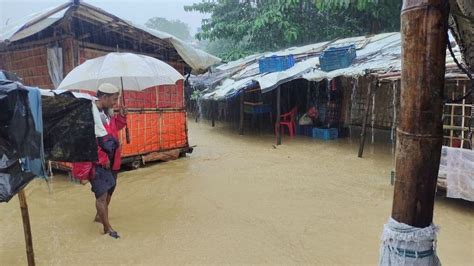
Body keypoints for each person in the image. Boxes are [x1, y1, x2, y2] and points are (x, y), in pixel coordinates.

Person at [91, 83, 127, 239]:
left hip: (113, 159)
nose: (115, 102)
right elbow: (92, 139)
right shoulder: (91, 114)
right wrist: (103, 156)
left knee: (111, 189)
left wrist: (122, 116)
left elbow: (114, 128)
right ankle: (107, 228)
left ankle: (100, 217)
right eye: (114, 99)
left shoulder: (108, 112)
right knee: (101, 195)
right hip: (100, 160)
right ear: (104, 97)